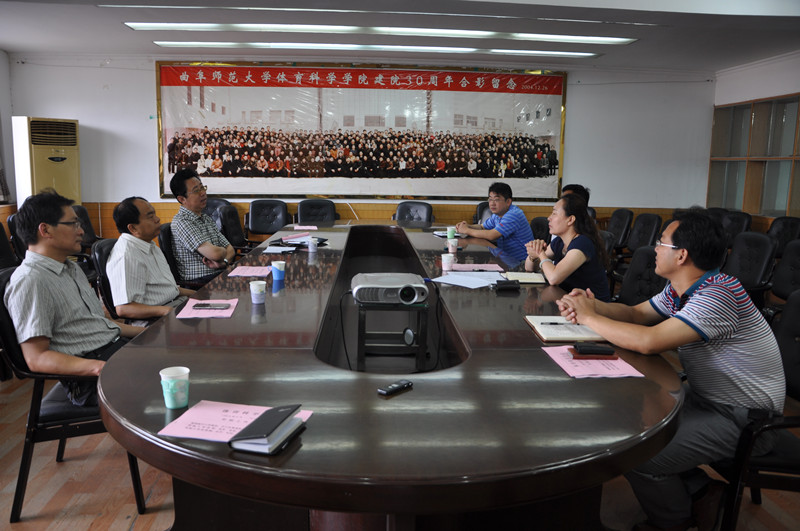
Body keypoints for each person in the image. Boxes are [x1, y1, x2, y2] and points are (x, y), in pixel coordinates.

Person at [557, 210, 785, 531]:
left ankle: (674, 522)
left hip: (746, 420)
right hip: (707, 400)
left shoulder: (719, 295)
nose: (654, 248)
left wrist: (588, 317)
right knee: (628, 426)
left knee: (637, 455)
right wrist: (592, 305)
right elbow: (636, 315)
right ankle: (702, 491)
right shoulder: (684, 288)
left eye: (660, 242)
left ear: (681, 255)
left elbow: (649, 341)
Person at [3, 191, 145, 406]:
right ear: (45, 230)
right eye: (73, 224)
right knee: (170, 383)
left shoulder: (71, 268)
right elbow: (37, 358)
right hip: (88, 377)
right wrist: (100, 368)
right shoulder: (30, 280)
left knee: (178, 357)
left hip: (114, 350)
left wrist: (152, 332)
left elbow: (99, 324)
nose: (81, 231)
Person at [108, 197, 195, 322]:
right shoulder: (127, 256)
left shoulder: (150, 245)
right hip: (154, 319)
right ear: (133, 228)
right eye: (150, 216)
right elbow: (124, 309)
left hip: (175, 304)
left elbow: (169, 290)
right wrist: (165, 311)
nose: (157, 219)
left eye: (154, 214)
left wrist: (201, 296)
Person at [524, 193, 610, 301]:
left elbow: (553, 278)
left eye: (554, 213)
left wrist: (540, 253)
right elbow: (529, 268)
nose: (549, 218)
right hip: (568, 301)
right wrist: (533, 256)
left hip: (592, 306)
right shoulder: (559, 242)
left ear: (570, 220)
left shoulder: (582, 243)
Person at [169, 168, 235, 284]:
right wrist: (221, 253)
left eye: (202, 187)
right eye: (196, 190)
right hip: (200, 282)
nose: (203, 193)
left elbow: (230, 249)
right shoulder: (182, 222)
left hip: (218, 274)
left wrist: (223, 262)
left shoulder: (205, 218)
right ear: (182, 199)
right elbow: (216, 254)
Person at [456, 182, 533, 264]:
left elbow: (491, 235)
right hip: (505, 258)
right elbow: (482, 227)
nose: (492, 203)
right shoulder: (498, 214)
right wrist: (468, 226)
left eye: (496, 200)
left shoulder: (513, 214)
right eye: (490, 199)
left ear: (508, 202)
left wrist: (466, 230)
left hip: (522, 263)